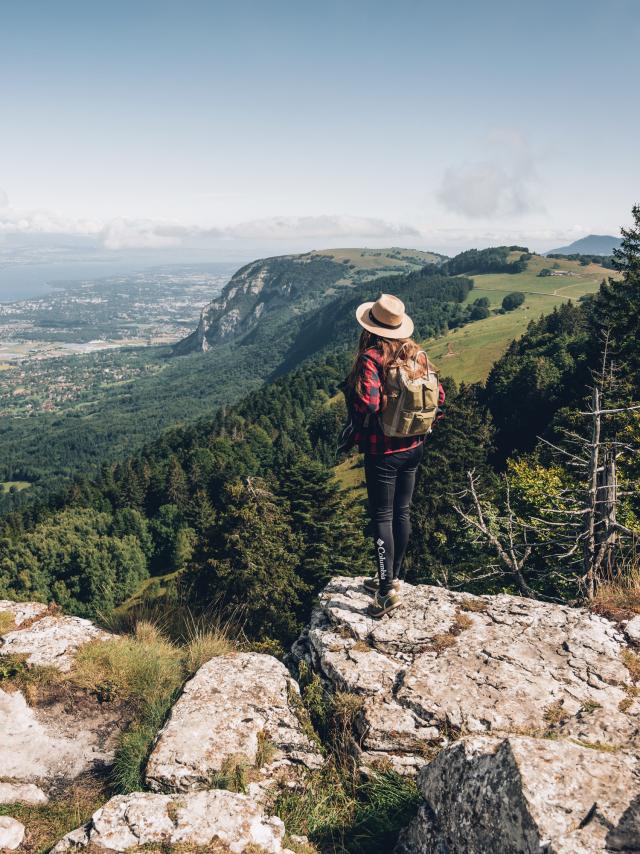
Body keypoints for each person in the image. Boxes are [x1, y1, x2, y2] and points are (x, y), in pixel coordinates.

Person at [344, 293, 445, 618]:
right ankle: (393, 578)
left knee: (382, 517)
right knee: (402, 512)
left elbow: (369, 404)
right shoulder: (417, 355)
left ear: (372, 326)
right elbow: (439, 397)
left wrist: (363, 408)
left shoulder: (371, 358)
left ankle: (386, 591)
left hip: (382, 451)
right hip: (414, 447)